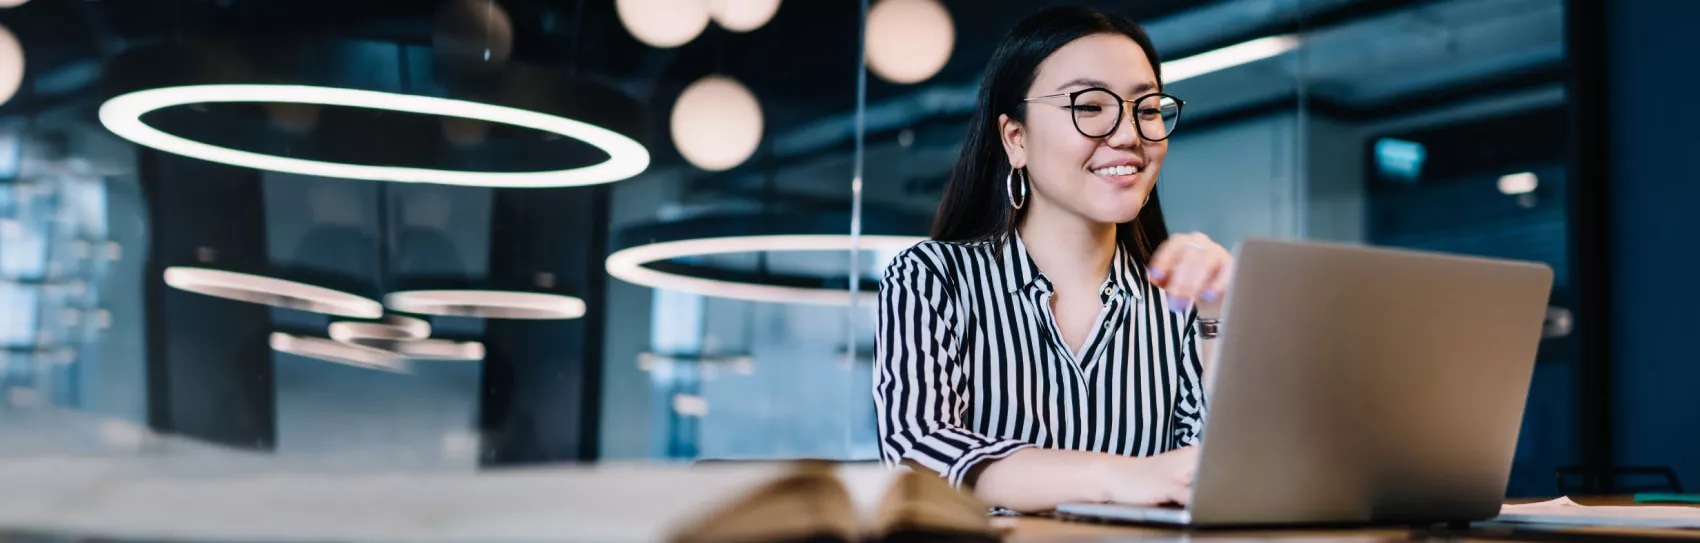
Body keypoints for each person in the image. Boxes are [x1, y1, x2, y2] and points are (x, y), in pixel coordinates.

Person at [873, 6, 1236, 513]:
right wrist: (1119, 478)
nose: (1129, 134)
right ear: (1015, 139)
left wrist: (1218, 315)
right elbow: (920, 453)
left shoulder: (1178, 303)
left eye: (1148, 108)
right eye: (1089, 106)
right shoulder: (934, 279)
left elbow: (1223, 477)